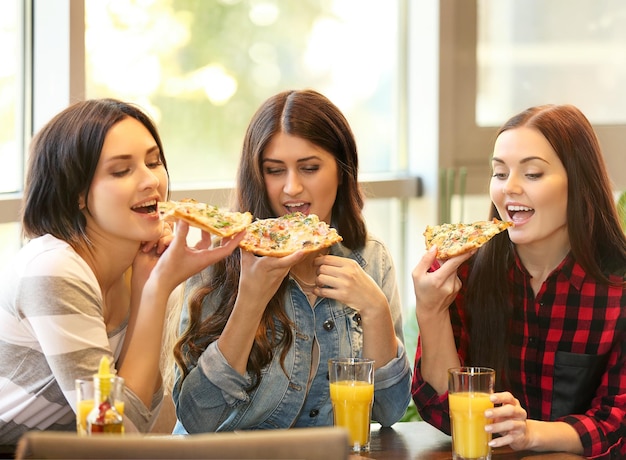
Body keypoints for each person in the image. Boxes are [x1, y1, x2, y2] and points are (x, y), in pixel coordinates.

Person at [0, 99, 244, 446]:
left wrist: (149, 284)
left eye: (153, 161)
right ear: (78, 194)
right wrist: (157, 288)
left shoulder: (138, 262)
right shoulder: (54, 270)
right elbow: (118, 435)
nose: (151, 181)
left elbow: (134, 420)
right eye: (121, 171)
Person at [171, 89, 412, 433]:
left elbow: (390, 412)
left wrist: (375, 310)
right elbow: (195, 419)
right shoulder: (221, 258)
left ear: (342, 171)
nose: (292, 188)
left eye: (310, 168)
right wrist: (250, 302)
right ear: (257, 175)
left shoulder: (370, 259)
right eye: (274, 170)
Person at [411, 104, 625, 458]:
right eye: (499, 173)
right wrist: (431, 312)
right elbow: (442, 411)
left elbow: (616, 422)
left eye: (533, 174)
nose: (509, 189)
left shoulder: (618, 286)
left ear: (579, 182)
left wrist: (530, 434)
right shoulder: (465, 274)